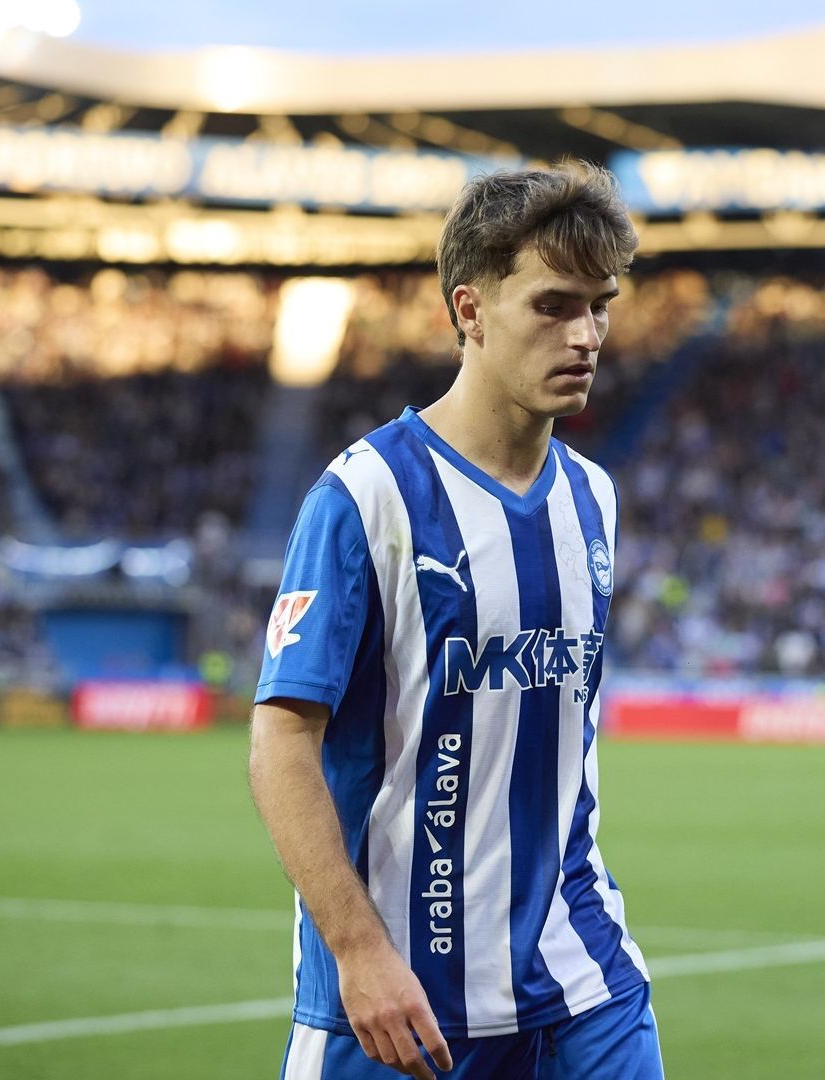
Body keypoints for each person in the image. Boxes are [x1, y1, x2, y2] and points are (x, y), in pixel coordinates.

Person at [248, 162, 663, 1080]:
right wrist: (357, 951)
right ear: (469, 311)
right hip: (399, 1007)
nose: (586, 334)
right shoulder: (366, 498)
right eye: (553, 306)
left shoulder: (594, 498)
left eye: (600, 306)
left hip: (584, 983)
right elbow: (281, 742)